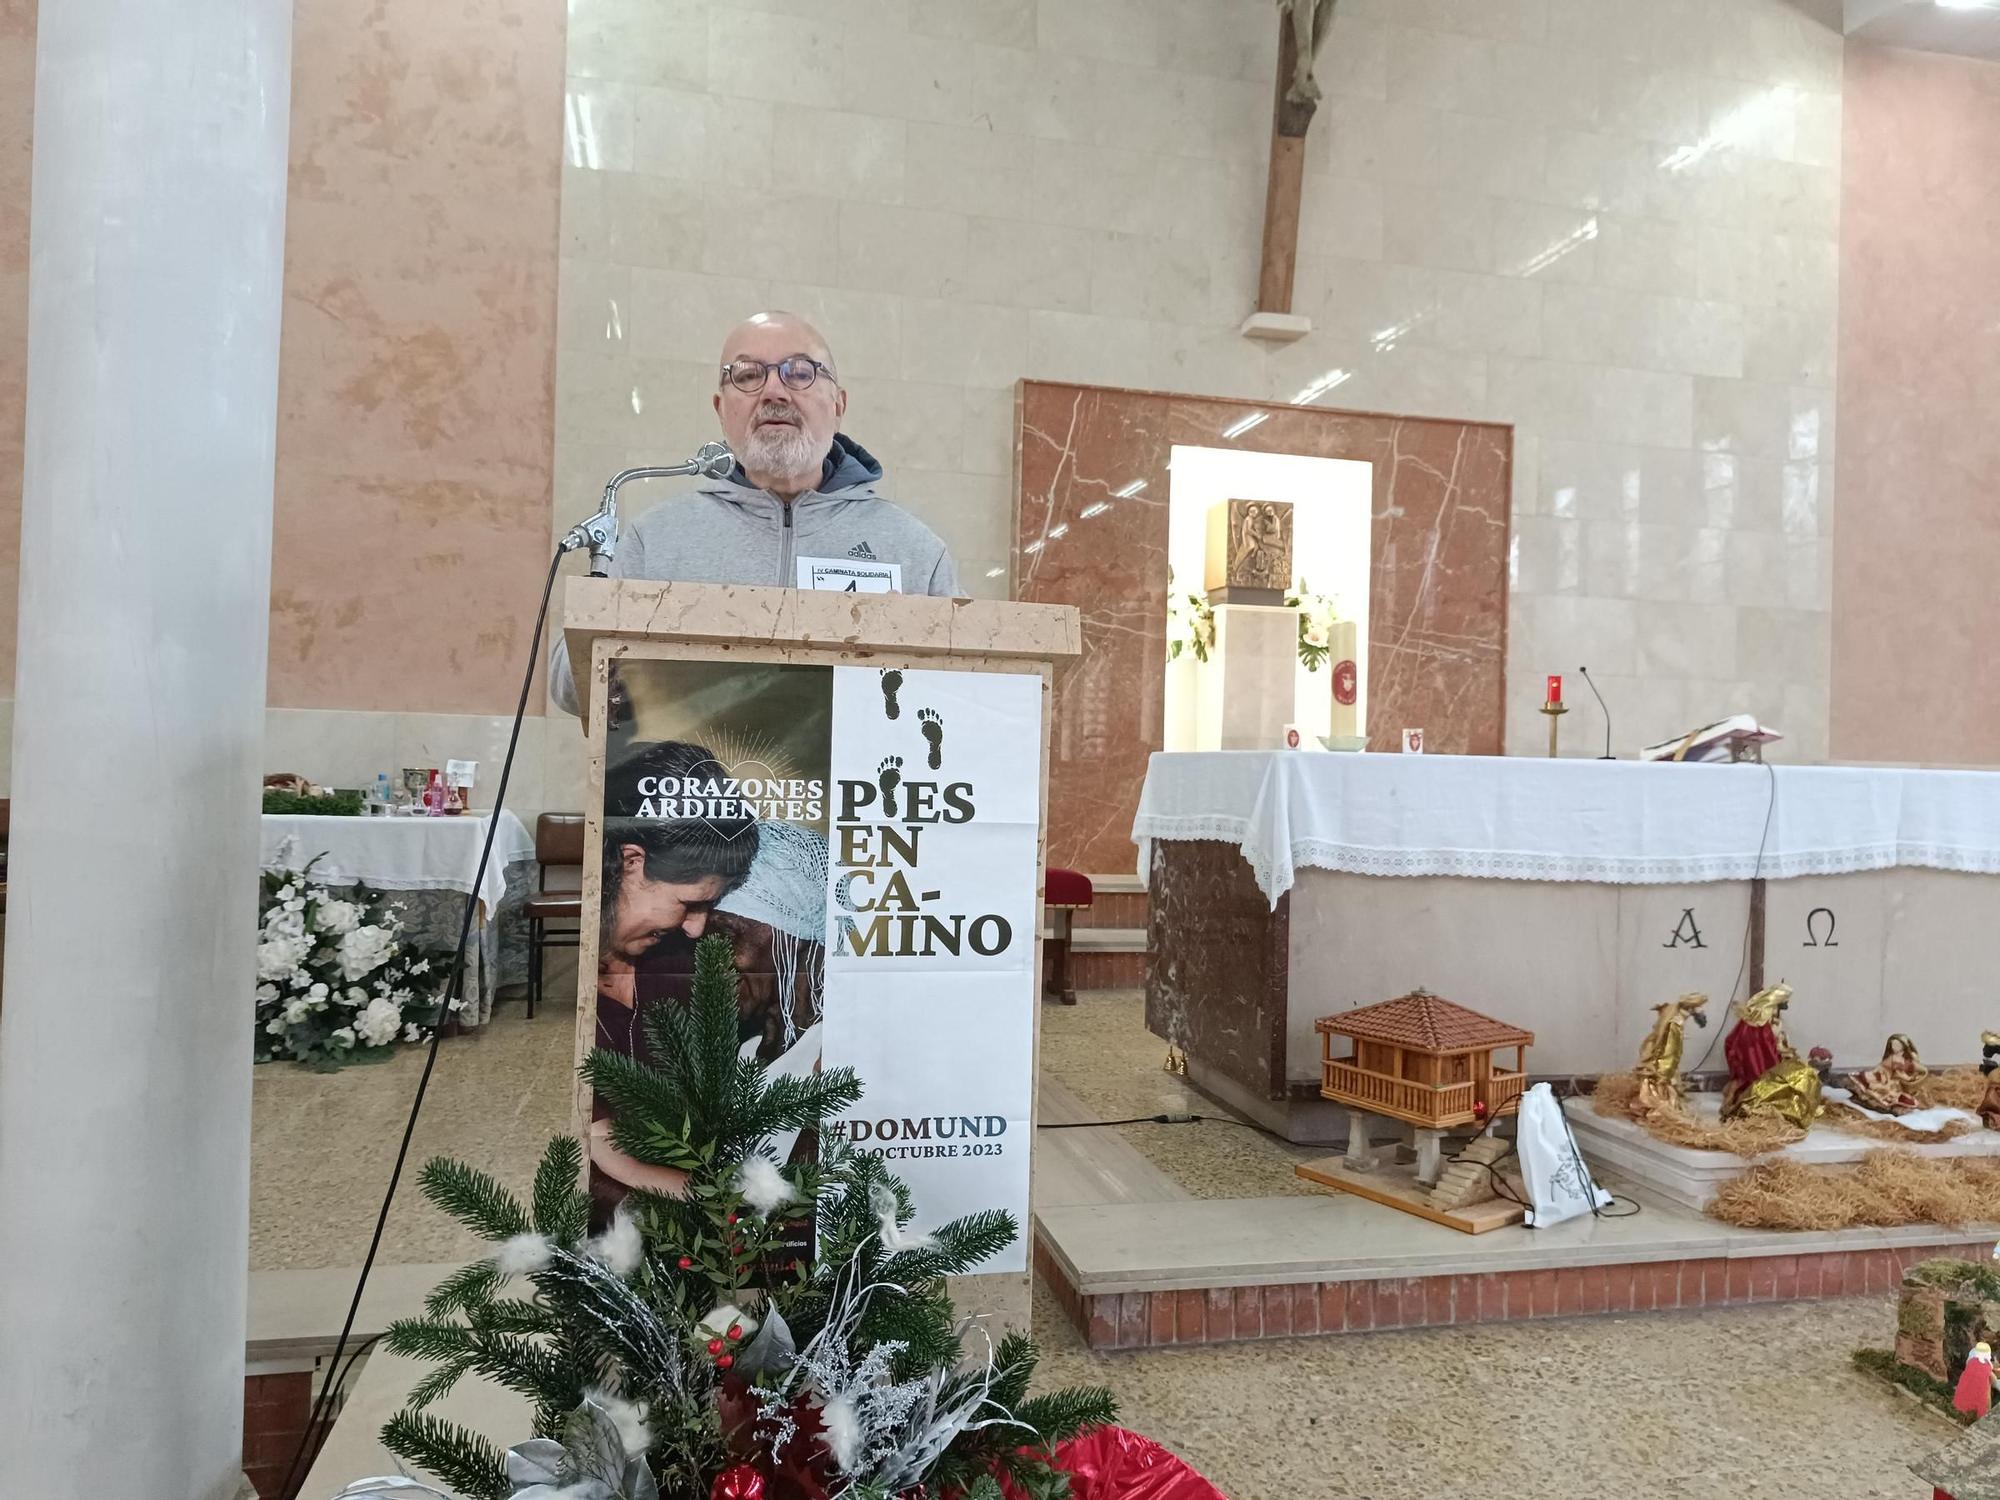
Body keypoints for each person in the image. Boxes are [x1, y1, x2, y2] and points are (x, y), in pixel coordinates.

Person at [550, 310, 960, 716]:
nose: (774, 392)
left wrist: (907, 644)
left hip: (850, 777)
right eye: (747, 375)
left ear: (838, 404)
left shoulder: (915, 551)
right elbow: (571, 691)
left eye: (800, 372)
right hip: (695, 773)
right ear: (721, 409)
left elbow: (966, 695)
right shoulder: (656, 540)